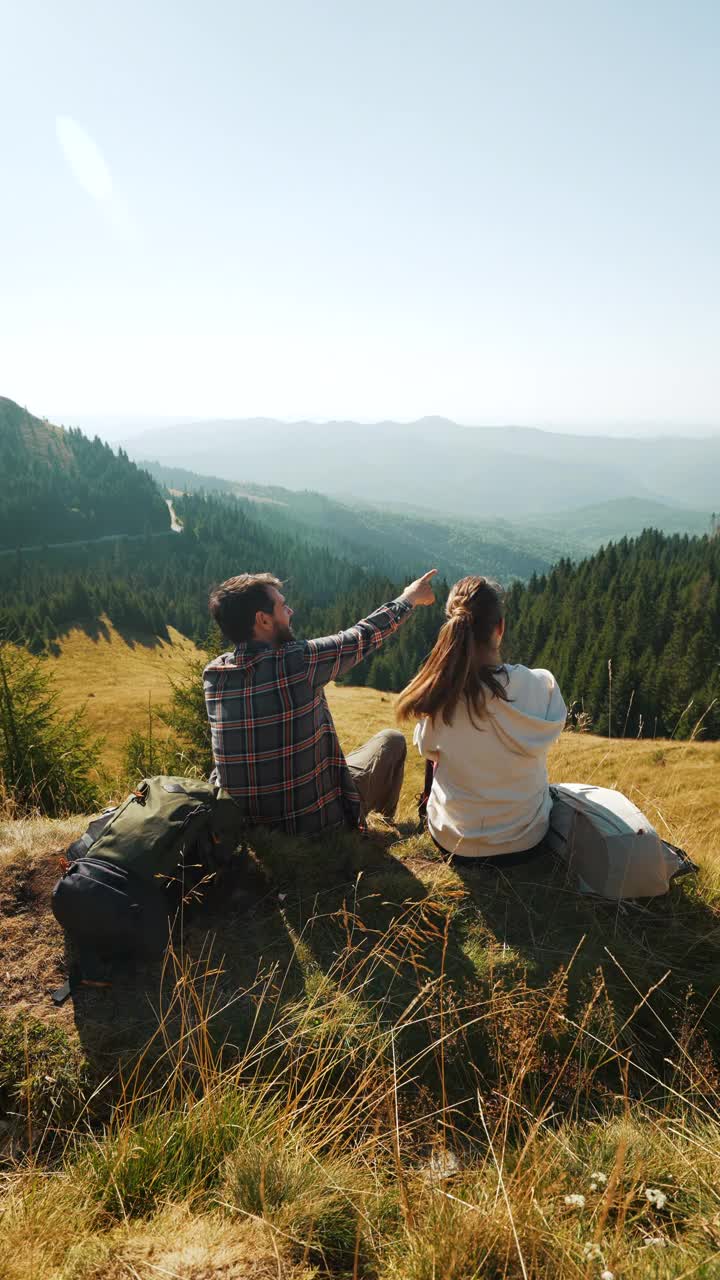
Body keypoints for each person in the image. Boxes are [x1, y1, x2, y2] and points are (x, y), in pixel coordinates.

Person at [203, 569, 437, 836]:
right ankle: (380, 829)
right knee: (392, 741)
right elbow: (362, 636)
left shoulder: (214, 676)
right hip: (318, 825)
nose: (290, 611)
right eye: (282, 605)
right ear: (263, 620)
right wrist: (409, 598)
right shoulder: (297, 661)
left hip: (250, 831)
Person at [396, 575, 566, 867]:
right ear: (499, 628)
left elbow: (427, 750)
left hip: (456, 844)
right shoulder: (541, 685)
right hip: (528, 839)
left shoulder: (440, 701)